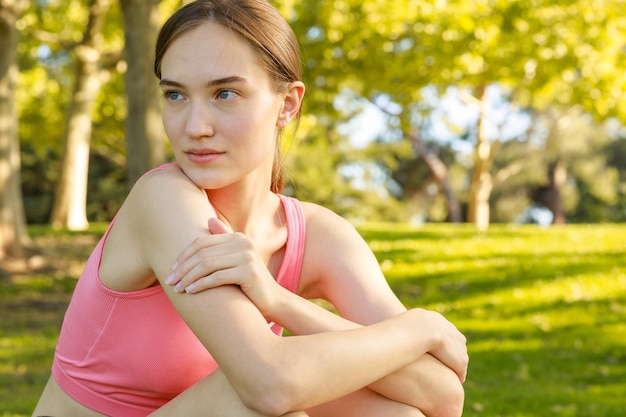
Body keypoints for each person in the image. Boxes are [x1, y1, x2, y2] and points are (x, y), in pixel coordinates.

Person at [33, 1, 468, 416]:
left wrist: (280, 302)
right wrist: (419, 328)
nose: (194, 127)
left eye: (224, 94)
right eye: (176, 95)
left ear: (288, 105)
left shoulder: (318, 236)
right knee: (258, 404)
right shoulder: (162, 199)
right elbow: (269, 385)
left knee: (391, 412)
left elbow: (442, 396)